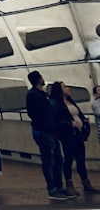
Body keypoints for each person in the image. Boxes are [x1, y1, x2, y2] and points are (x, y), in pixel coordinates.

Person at [26, 71, 68, 201]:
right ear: (39, 79)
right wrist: (47, 124)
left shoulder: (42, 95)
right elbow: (35, 114)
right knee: (49, 161)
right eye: (42, 77)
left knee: (58, 160)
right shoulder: (34, 95)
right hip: (44, 131)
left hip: (50, 131)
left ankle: (59, 186)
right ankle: (52, 189)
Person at [51, 81, 95, 195]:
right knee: (69, 159)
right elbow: (55, 120)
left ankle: (86, 183)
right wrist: (69, 124)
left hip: (78, 134)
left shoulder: (70, 101)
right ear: (59, 90)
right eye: (64, 87)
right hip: (68, 135)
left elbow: (77, 113)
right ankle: (69, 184)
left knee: (81, 159)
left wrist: (83, 120)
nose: (67, 88)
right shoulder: (56, 103)